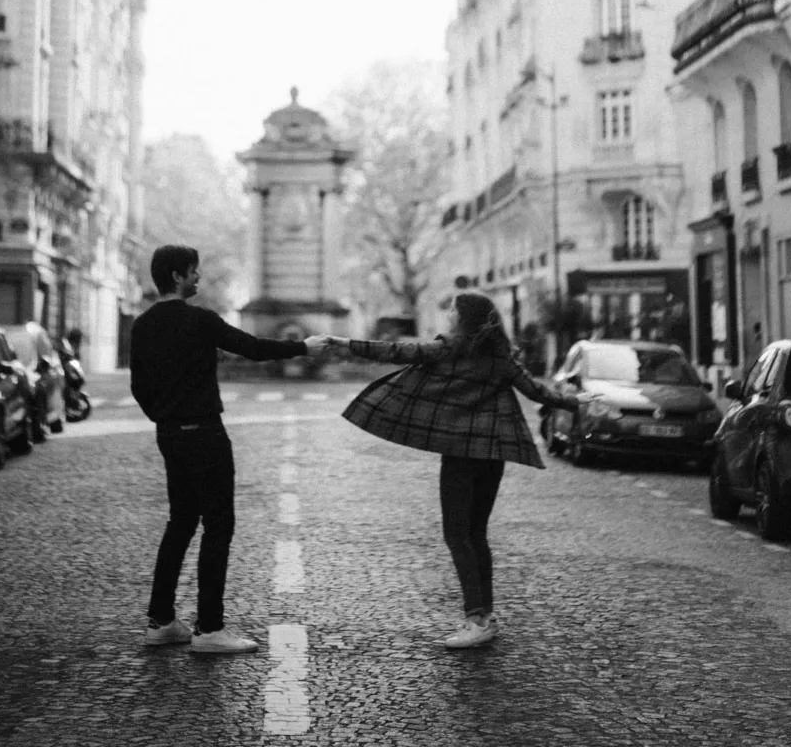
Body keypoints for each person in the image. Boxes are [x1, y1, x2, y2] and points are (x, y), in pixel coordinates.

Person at [322, 291, 576, 649]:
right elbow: (537, 393)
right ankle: (485, 615)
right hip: (492, 454)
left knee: (457, 535)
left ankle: (477, 619)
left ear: (464, 318)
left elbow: (395, 351)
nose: (449, 316)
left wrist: (344, 343)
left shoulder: (448, 349)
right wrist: (577, 403)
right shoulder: (501, 357)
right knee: (477, 534)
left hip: (460, 455)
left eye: (453, 311)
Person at [130, 244, 325, 656]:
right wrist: (303, 348)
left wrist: (165, 418)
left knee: (180, 522)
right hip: (204, 431)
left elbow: (138, 387)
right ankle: (209, 627)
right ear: (179, 275)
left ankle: (161, 621)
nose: (199, 278)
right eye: (194, 271)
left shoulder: (143, 325)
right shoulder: (199, 320)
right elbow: (251, 347)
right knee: (218, 526)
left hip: (170, 434)